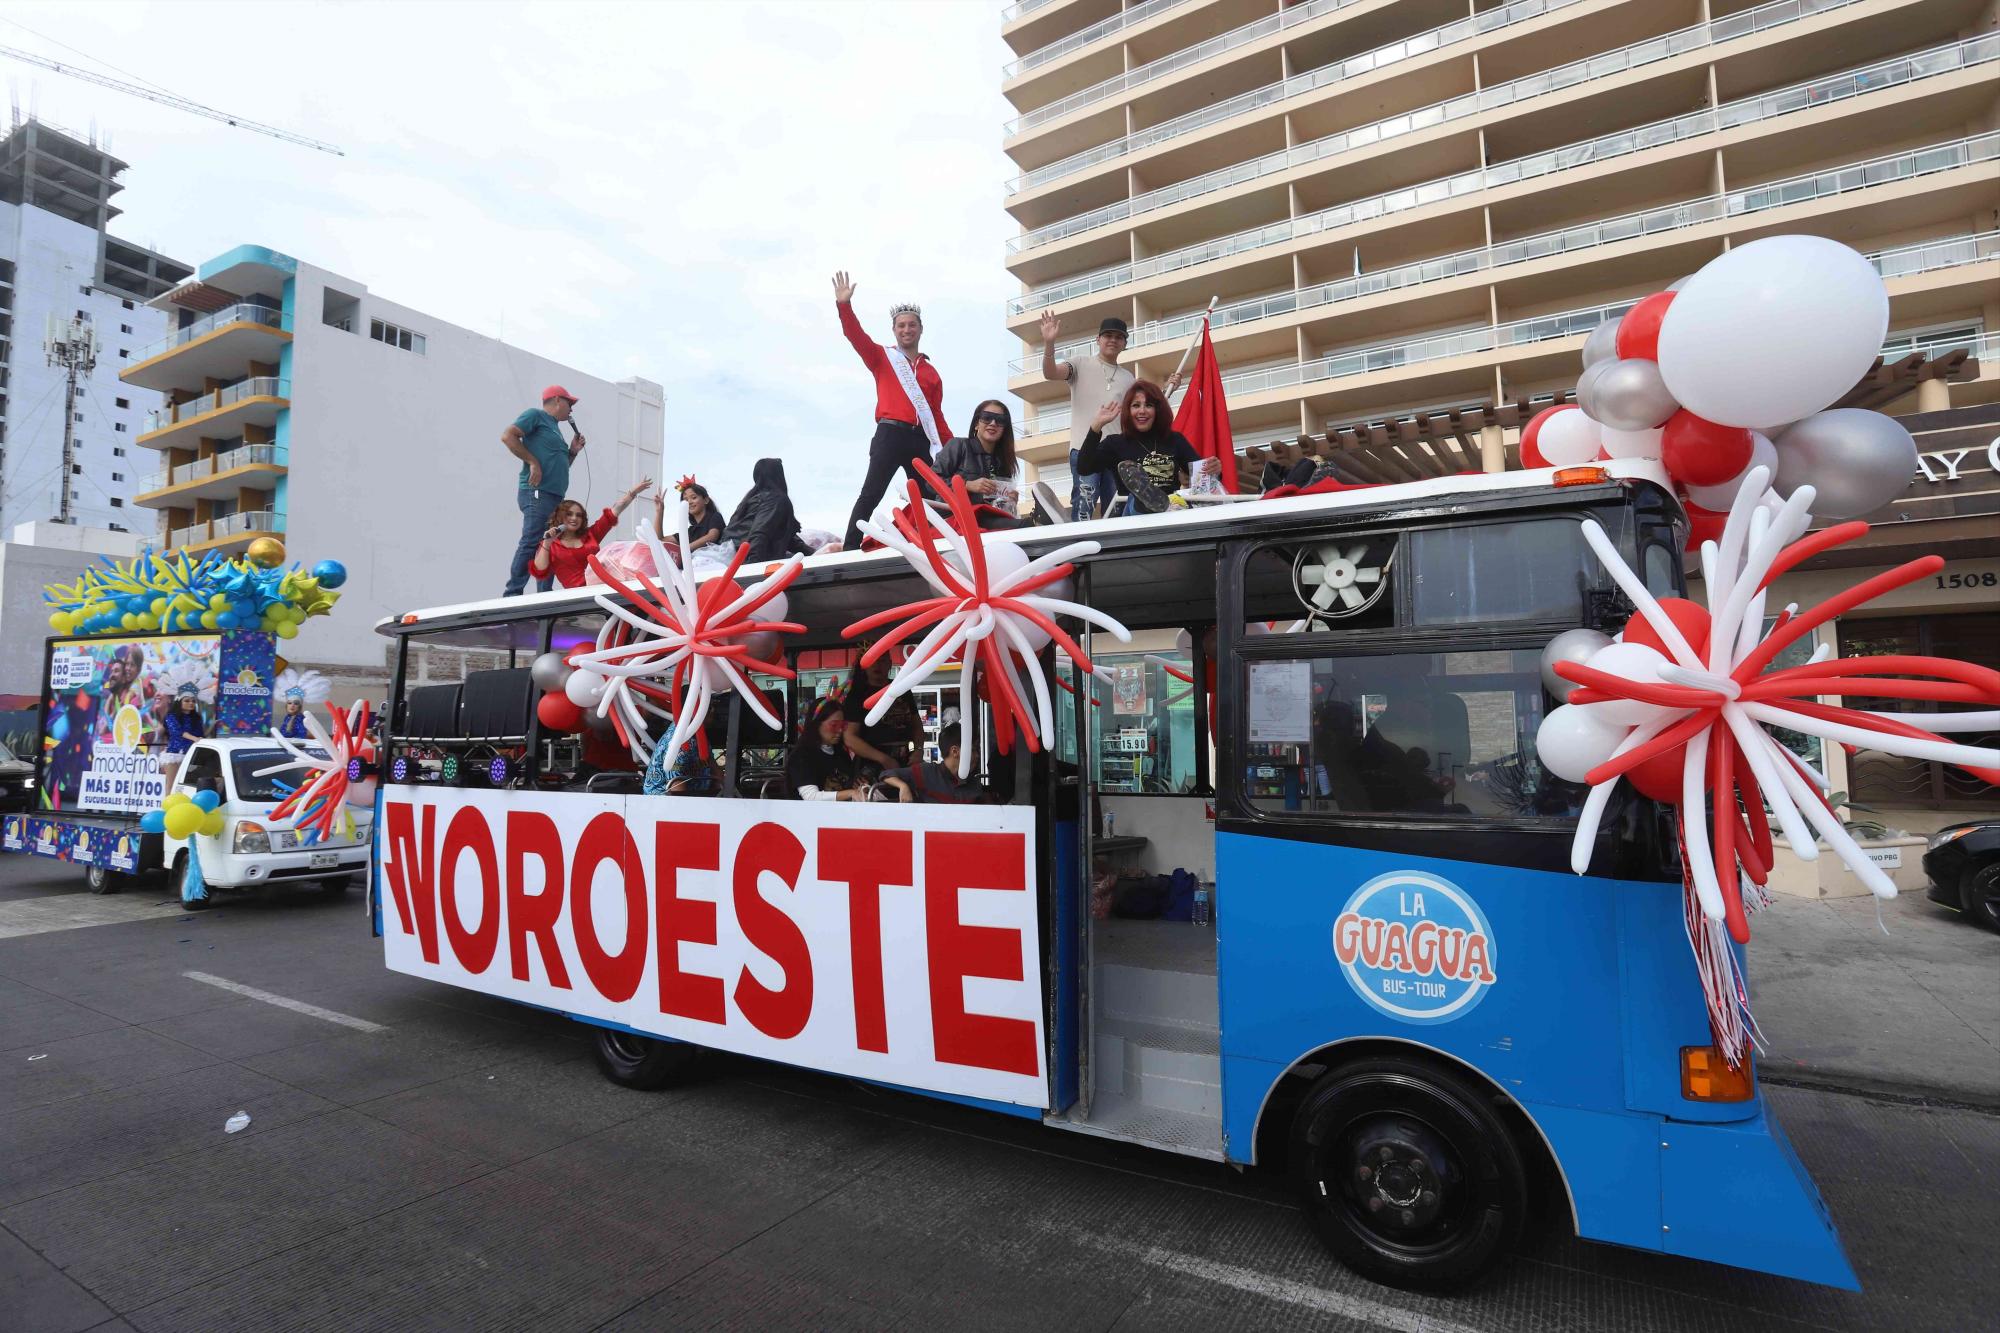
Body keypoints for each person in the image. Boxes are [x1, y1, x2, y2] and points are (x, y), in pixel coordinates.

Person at [833, 270, 950, 550]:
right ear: (894, 330)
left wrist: (951, 448)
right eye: (901, 326)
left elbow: (936, 416)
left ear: (920, 329)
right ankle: (849, 549)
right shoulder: (882, 358)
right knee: (871, 494)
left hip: (919, 439)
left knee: (930, 496)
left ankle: (932, 546)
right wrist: (844, 306)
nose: (906, 330)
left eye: (912, 325)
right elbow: (854, 335)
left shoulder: (932, 373)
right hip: (889, 434)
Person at [1040, 310, 1134, 522]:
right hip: (1084, 449)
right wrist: (1048, 343)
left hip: (1114, 453)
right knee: (1084, 506)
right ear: (1098, 339)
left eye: (1119, 337)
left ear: (1125, 343)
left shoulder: (1129, 378)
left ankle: (1114, 552)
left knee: (1116, 510)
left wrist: (1168, 389)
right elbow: (1051, 373)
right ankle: (1079, 551)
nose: (1113, 340)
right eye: (1108, 335)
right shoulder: (1080, 363)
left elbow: (1139, 411)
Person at [1077, 380, 1221, 515]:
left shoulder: (1174, 440)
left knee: (1177, 503)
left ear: (1158, 410)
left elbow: (1203, 481)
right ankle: (1147, 500)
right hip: (1132, 516)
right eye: (1136, 405)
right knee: (1136, 499)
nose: (1142, 411)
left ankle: (1159, 502)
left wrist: (1214, 470)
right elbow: (1084, 467)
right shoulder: (1115, 443)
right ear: (1128, 410)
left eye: (1149, 405)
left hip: (1170, 512)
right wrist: (1096, 426)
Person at [502, 385, 585, 597]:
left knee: (549, 543)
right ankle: (513, 593)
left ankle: (544, 594)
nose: (571, 409)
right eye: (569, 403)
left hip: (555, 496)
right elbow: (508, 436)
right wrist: (532, 462)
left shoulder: (556, 429)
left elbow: (561, 465)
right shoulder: (535, 415)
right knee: (532, 540)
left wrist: (573, 452)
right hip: (537, 492)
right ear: (557, 400)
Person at [530, 479, 652, 589]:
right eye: (569, 514)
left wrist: (632, 492)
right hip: (581, 598)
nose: (574, 518)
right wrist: (547, 542)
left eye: (579, 515)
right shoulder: (550, 544)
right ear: (560, 516)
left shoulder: (590, 535)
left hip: (607, 587)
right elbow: (540, 570)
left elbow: (615, 511)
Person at [931, 400, 1027, 529]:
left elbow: (997, 505)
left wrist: (1009, 500)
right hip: (955, 518)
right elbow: (930, 482)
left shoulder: (1003, 461)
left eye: (1000, 420)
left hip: (987, 518)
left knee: (1023, 525)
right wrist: (966, 485)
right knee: (1024, 525)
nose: (993, 423)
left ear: (1005, 428)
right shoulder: (958, 445)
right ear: (977, 424)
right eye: (987, 418)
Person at [840, 640, 921, 779]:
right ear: (864, 665)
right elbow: (849, 737)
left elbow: (916, 725)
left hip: (906, 759)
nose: (878, 665)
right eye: (873, 660)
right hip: (872, 764)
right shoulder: (857, 695)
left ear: (890, 663)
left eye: (882, 660)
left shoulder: (901, 689)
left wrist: (918, 750)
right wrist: (883, 759)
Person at [880, 708, 988, 804]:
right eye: (973, 750)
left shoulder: (974, 784)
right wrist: (903, 786)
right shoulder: (927, 772)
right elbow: (887, 774)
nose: (977, 756)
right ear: (955, 751)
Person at [724, 458, 803, 562]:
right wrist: (752, 567)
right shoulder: (775, 499)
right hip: (746, 561)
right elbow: (759, 533)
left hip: (730, 558)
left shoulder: (749, 500)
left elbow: (788, 539)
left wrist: (816, 553)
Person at [786, 697, 863, 801]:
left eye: (842, 725)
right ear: (816, 724)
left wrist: (859, 787)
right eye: (834, 725)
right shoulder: (801, 756)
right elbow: (811, 797)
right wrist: (850, 793)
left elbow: (849, 785)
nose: (839, 730)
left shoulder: (841, 753)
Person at [657, 477, 729, 566]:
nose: (690, 502)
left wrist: (685, 548)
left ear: (706, 500)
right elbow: (660, 540)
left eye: (693, 497)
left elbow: (712, 536)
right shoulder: (689, 532)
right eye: (686, 500)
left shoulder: (715, 516)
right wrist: (660, 511)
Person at [161, 685, 205, 779]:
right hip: (174, 754)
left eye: (193, 701)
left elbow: (200, 734)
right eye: (187, 700)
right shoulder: (171, 716)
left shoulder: (196, 718)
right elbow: (177, 732)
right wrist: (195, 739)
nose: (191, 703)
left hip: (191, 755)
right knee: (171, 785)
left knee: (188, 785)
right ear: (179, 702)